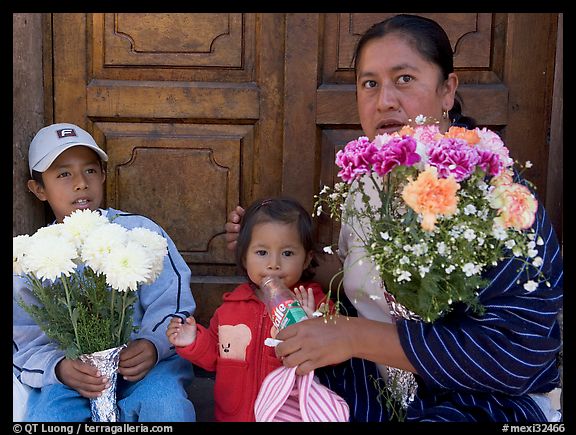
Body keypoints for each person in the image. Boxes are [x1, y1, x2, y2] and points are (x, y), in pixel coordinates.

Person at [224, 14, 563, 422]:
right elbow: (358, 280)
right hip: (376, 385)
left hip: (479, 398)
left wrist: (355, 337)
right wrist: (268, 248)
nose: (384, 99)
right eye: (369, 84)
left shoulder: (500, 198)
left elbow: (517, 353)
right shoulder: (368, 183)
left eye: (404, 79)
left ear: (447, 90)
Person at [13, 123, 197, 422]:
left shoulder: (139, 232)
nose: (80, 183)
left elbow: (174, 304)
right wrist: (59, 368)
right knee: (49, 415)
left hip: (147, 369)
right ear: (38, 189)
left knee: (165, 406)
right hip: (74, 381)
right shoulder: (33, 257)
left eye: (90, 170)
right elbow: (24, 339)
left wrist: (153, 345)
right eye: (63, 174)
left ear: (104, 175)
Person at [167, 196, 332, 422]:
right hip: (232, 416)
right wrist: (193, 340)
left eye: (287, 253)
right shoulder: (231, 309)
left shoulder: (313, 301)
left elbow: (333, 352)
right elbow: (214, 357)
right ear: (244, 257)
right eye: (262, 252)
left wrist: (314, 322)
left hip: (288, 416)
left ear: (306, 259)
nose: (274, 264)